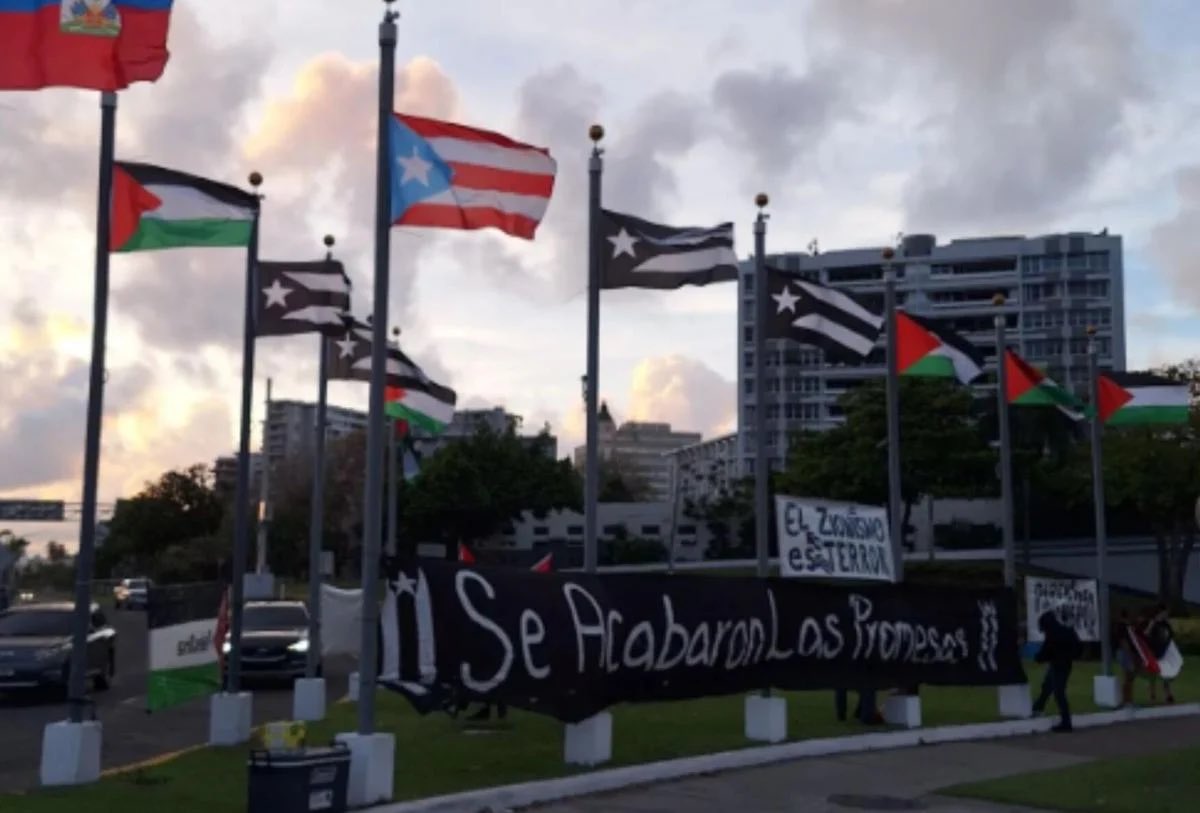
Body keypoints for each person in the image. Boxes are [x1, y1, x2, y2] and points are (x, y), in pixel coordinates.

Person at [1032, 610, 1081, 732]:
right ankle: (1038, 707)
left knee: (1058, 692)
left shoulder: (1052, 634)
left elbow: (1046, 651)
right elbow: (1078, 646)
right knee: (1048, 686)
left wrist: (1038, 658)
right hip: (1065, 663)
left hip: (1058, 665)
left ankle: (1066, 722)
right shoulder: (1066, 630)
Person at [1143, 604, 1176, 704]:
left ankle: (1168, 695)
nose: (1167, 615)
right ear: (1161, 612)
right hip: (1154, 652)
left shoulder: (1166, 624)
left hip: (1164, 652)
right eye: (1165, 613)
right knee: (1153, 675)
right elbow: (1146, 634)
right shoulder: (1154, 623)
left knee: (1166, 674)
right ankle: (1152, 695)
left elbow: (1171, 636)